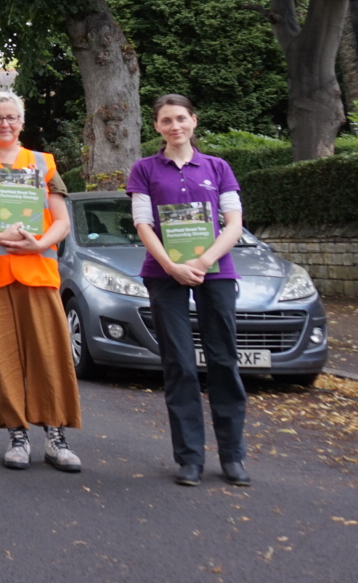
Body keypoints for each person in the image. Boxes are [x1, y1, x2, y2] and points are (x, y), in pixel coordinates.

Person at [0, 91, 82, 471]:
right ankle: (17, 436)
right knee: (1, 358)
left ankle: (56, 437)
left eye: (11, 117)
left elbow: (61, 221)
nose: (4, 124)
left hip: (37, 273)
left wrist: (39, 243)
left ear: (22, 122)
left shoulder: (43, 163)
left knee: (50, 354)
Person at [127, 93, 249, 488]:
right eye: (166, 121)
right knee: (179, 364)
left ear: (194, 121)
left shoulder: (218, 167)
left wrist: (200, 262)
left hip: (216, 273)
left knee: (223, 361)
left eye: (181, 118)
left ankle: (232, 457)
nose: (175, 126)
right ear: (157, 127)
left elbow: (233, 224)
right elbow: (143, 225)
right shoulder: (144, 170)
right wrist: (171, 266)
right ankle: (190, 459)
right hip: (164, 275)